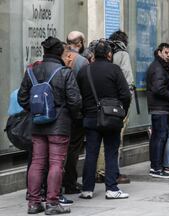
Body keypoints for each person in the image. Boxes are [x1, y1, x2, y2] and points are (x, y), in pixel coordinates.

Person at [18, 36, 82, 214]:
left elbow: (22, 98)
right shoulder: (64, 72)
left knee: (37, 163)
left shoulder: (31, 71)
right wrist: (74, 117)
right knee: (56, 164)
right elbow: (75, 101)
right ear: (59, 52)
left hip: (37, 124)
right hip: (59, 125)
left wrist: (36, 111)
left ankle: (33, 203)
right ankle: (52, 203)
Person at [77, 40, 131, 199]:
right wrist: (122, 112)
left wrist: (84, 112)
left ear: (93, 55)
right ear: (109, 54)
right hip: (111, 118)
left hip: (90, 118)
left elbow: (77, 95)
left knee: (91, 153)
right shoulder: (115, 70)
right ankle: (112, 189)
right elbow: (126, 95)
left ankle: (87, 189)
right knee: (111, 153)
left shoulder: (84, 71)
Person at [93, 30, 135, 185]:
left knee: (100, 140)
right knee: (115, 140)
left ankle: (100, 171)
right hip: (116, 104)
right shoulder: (123, 54)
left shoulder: (101, 55)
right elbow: (127, 80)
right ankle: (108, 172)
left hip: (99, 102)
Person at [61, 31, 89, 195]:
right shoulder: (82, 61)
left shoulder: (60, 57)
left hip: (57, 112)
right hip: (76, 112)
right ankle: (70, 182)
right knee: (73, 148)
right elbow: (85, 89)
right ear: (81, 42)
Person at [146, 43, 169, 178]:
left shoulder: (160, 66)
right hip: (160, 107)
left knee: (157, 137)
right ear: (159, 52)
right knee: (160, 137)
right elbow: (159, 88)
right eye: (166, 53)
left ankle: (155, 167)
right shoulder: (158, 68)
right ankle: (157, 168)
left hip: (159, 107)